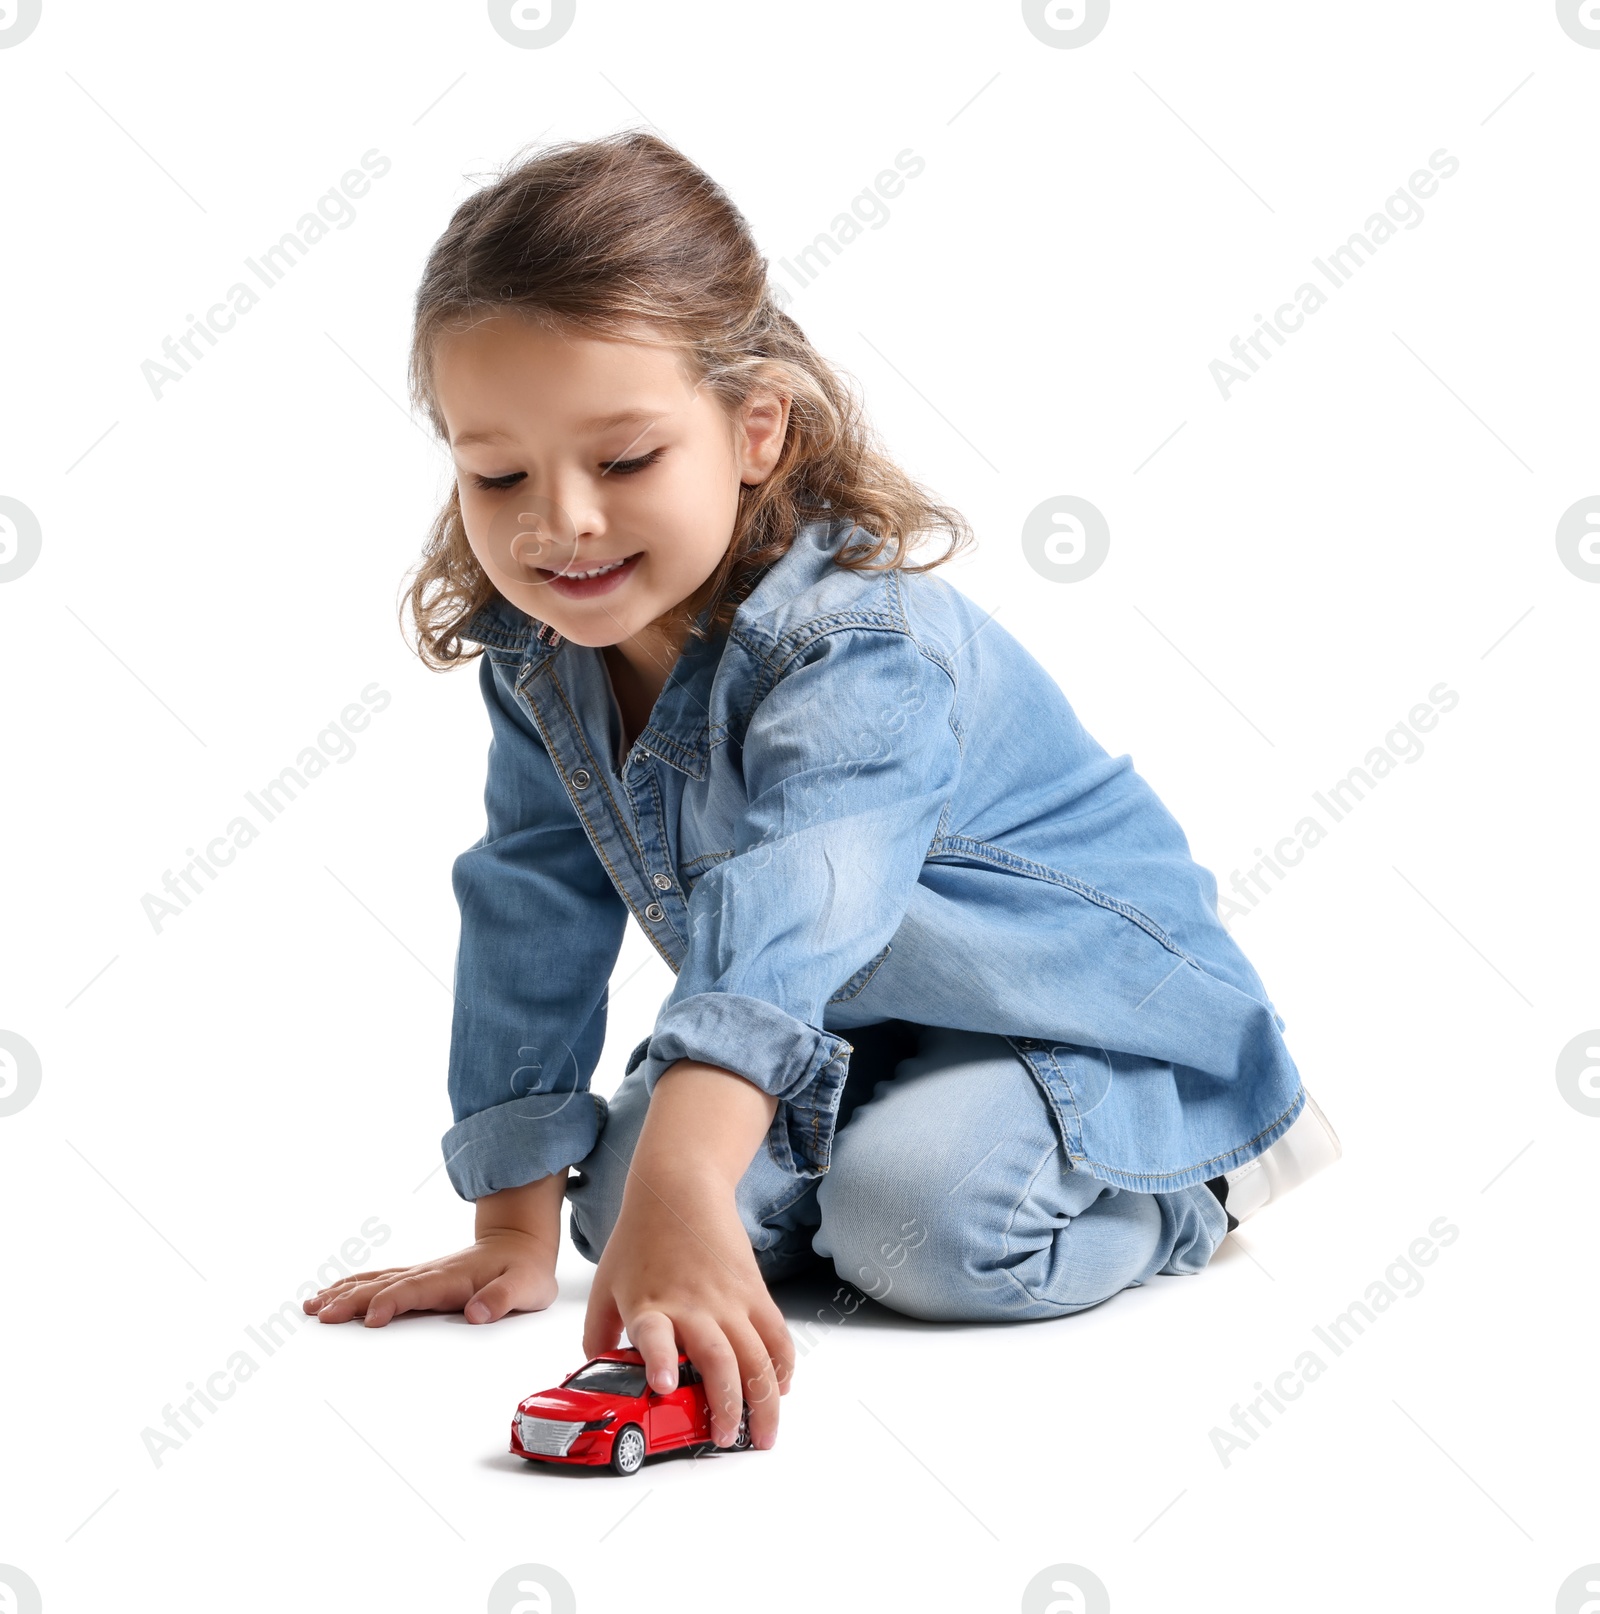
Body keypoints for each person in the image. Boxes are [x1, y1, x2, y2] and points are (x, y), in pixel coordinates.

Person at [304, 129, 1340, 1453]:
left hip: (1061, 1010)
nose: (558, 519)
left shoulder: (852, 643)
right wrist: (514, 1221)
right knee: (626, 1209)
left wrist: (693, 1162)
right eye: (497, 472)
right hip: (849, 1031)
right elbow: (531, 900)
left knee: (922, 1226)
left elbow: (800, 898)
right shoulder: (545, 654)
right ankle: (821, 1169)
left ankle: (1197, 1173)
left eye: (622, 462)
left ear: (754, 428)